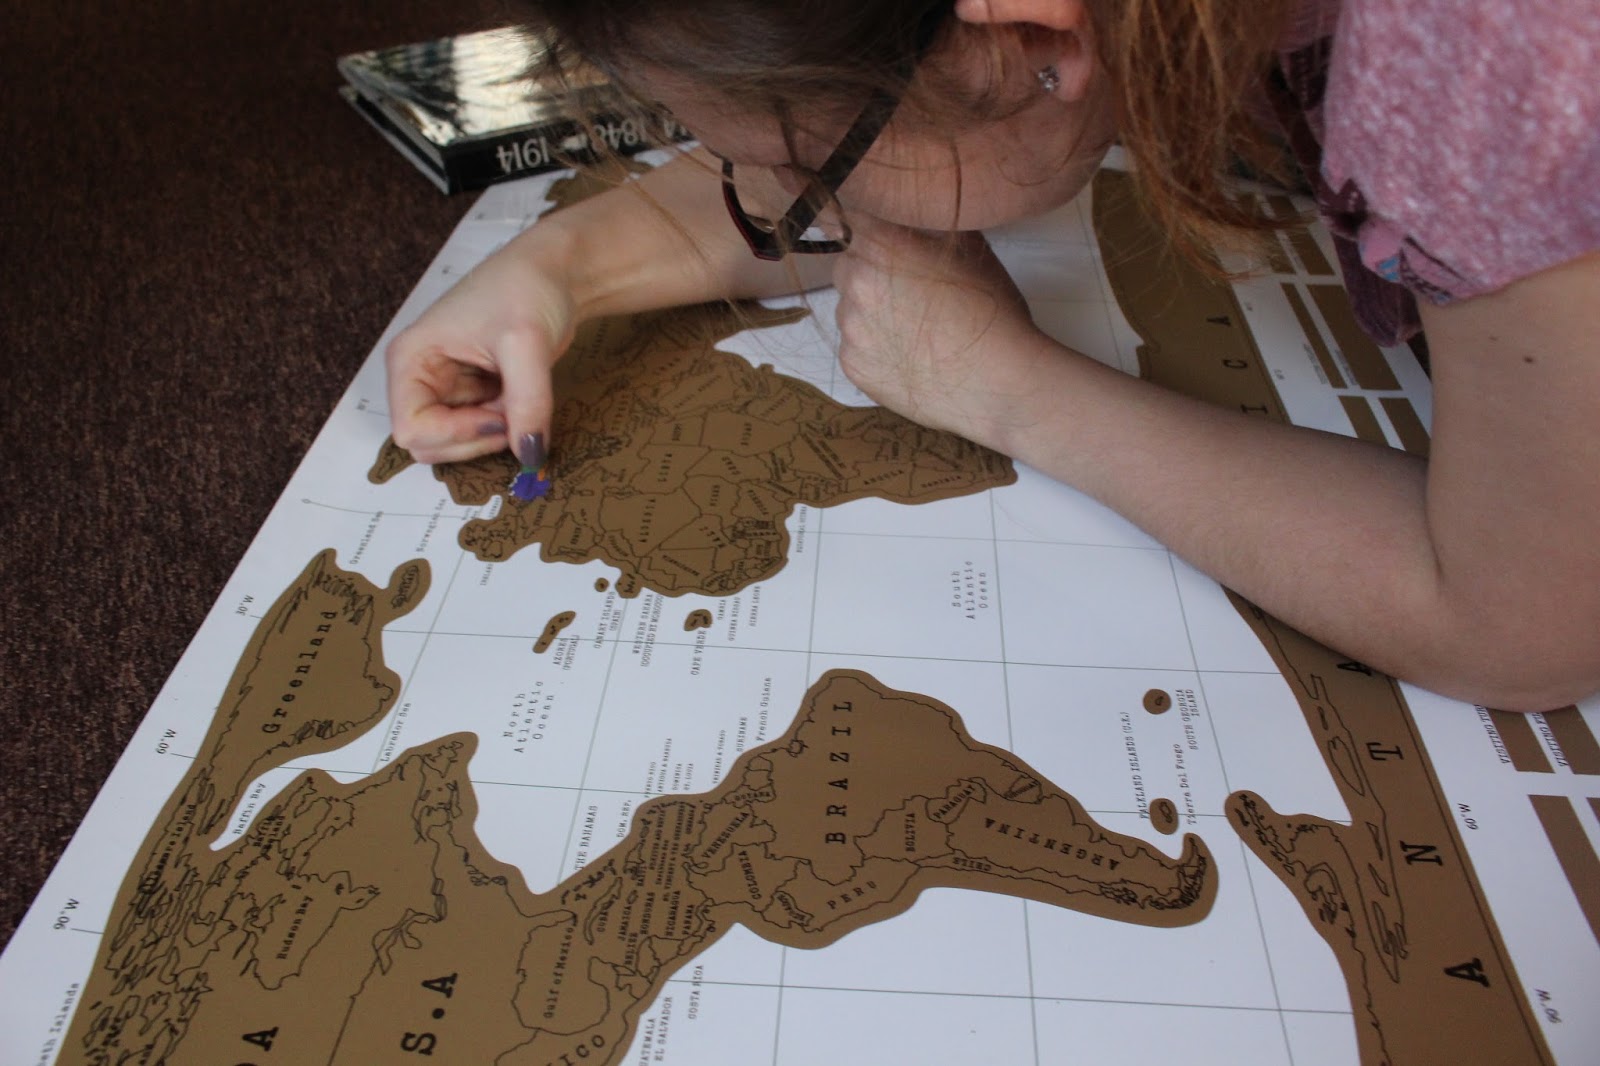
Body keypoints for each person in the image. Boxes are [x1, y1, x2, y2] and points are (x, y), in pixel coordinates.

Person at [385, 0, 1600, 711]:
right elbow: (893, 123)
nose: (780, 198)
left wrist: (1002, 383)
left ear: (1026, 37)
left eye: (807, 169)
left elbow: (1515, 621)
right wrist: (562, 268)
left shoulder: (1485, 57)